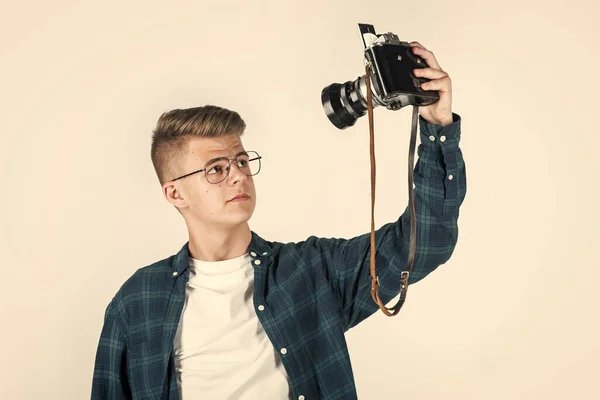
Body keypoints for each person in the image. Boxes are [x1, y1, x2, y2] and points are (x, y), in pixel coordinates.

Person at [91, 41, 467, 400]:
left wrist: (437, 127)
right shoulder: (138, 302)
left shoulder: (311, 272)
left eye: (240, 161)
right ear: (175, 193)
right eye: (215, 169)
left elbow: (427, 241)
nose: (238, 175)